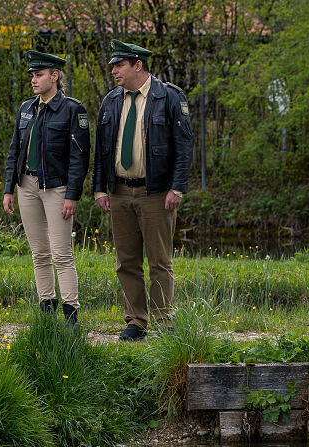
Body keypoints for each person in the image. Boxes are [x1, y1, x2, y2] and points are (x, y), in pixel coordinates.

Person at [92, 39, 193, 341]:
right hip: (120, 192)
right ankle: (136, 321)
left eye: (119, 65)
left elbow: (184, 147)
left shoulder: (169, 97)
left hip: (156, 193)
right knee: (126, 261)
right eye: (113, 65)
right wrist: (99, 189)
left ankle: (163, 322)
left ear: (138, 65)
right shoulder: (111, 100)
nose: (114, 70)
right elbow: (102, 149)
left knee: (159, 261)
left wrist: (177, 187)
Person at [3, 49, 90, 327]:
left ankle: (71, 313)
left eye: (39, 75)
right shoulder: (27, 108)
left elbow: (80, 157)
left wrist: (72, 194)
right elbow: (14, 149)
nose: (34, 80)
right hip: (26, 184)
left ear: (55, 76)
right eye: (31, 75)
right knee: (39, 251)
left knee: (61, 253)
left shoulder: (72, 109)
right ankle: (46, 307)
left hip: (56, 188)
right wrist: (8, 188)